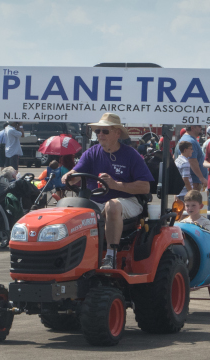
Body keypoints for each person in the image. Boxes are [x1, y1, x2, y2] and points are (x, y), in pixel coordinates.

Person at [62, 113, 153, 270]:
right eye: (98, 131)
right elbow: (75, 175)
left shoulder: (131, 155)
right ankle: (68, 255)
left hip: (127, 201)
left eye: (105, 131)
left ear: (117, 133)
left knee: (112, 206)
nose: (100, 134)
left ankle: (110, 257)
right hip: (96, 201)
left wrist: (116, 185)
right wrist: (68, 176)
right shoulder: (91, 153)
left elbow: (145, 187)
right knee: (68, 210)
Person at [175, 125, 206, 191]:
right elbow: (192, 161)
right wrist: (201, 178)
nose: (201, 128)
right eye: (199, 126)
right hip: (193, 182)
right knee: (193, 200)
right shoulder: (190, 141)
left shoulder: (187, 139)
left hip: (192, 181)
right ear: (192, 128)